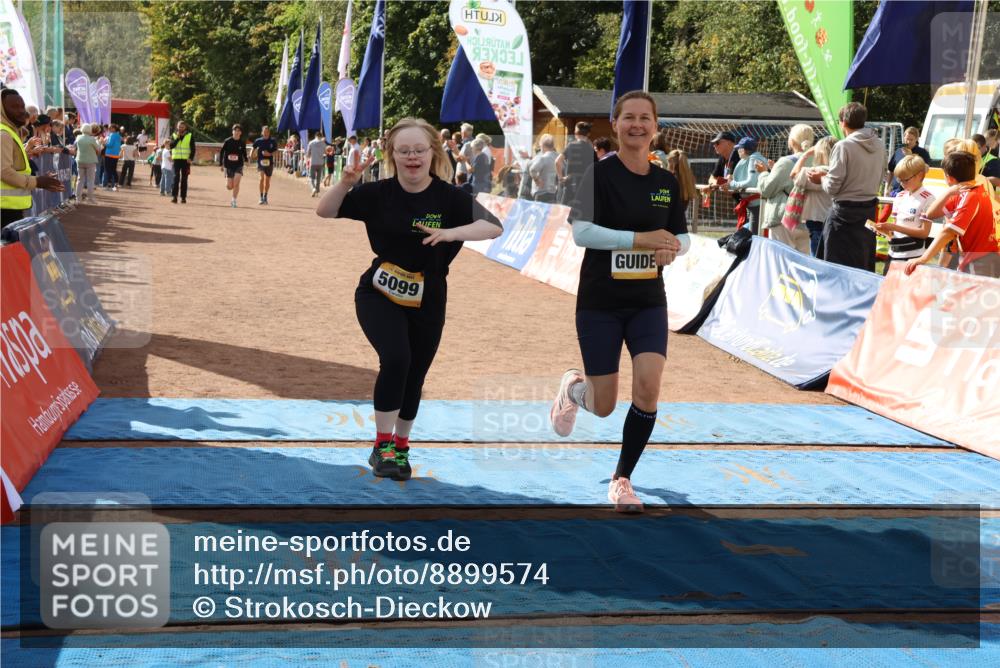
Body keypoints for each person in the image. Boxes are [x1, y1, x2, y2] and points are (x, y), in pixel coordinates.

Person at [315, 117, 502, 480]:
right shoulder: (377, 193)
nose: (412, 157)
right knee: (397, 358)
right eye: (404, 151)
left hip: (429, 296)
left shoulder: (450, 197)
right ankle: (382, 445)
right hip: (380, 292)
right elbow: (325, 210)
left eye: (419, 150)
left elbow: (494, 226)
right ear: (392, 155)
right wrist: (346, 183)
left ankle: (400, 448)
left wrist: (450, 232)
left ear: (433, 152)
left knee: (415, 374)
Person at [548, 91, 686, 514]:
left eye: (645, 118)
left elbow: (682, 238)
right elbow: (582, 233)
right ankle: (574, 388)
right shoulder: (597, 174)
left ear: (655, 127)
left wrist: (671, 249)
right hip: (600, 302)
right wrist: (640, 240)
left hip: (648, 301)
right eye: (629, 118)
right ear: (616, 123)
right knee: (604, 405)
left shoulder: (666, 182)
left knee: (648, 387)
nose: (637, 125)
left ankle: (622, 479)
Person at [808, 102, 886, 272]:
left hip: (843, 215)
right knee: (862, 266)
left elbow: (832, 187)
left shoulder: (843, 146)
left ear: (843, 122)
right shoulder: (880, 145)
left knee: (836, 269)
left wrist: (820, 178)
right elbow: (882, 176)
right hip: (868, 212)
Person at [906, 151, 999, 277]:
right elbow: (930, 214)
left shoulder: (970, 196)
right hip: (978, 256)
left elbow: (948, 232)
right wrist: (948, 192)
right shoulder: (964, 191)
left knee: (973, 296)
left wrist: (923, 258)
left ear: (949, 178)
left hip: (981, 259)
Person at [1, 87, 64, 227]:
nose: (21, 111)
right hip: (4, 210)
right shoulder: (3, 134)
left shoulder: (10, 132)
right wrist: (37, 181)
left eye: (22, 106)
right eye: (14, 107)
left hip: (10, 207)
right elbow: (4, 172)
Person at [756, 124, 815, 253]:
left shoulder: (785, 162)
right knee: (803, 265)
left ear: (792, 141)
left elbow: (766, 189)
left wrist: (763, 173)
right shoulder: (818, 161)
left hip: (785, 219)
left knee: (781, 262)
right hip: (809, 218)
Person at [873, 155, 935, 274]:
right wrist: (885, 231)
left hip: (913, 256)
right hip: (893, 253)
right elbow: (895, 229)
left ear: (920, 175)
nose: (902, 184)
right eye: (899, 180)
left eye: (905, 180)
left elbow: (924, 233)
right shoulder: (899, 196)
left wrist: (893, 227)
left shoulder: (928, 198)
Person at [792, 136, 836, 257]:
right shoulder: (838, 171)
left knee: (817, 259)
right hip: (833, 219)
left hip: (817, 220)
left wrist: (805, 155)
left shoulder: (816, 171)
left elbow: (794, 175)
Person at [728, 136, 767, 234]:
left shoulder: (753, 159)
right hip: (752, 204)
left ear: (743, 150)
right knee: (749, 234)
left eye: (739, 148)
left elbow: (751, 182)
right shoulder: (750, 159)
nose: (737, 151)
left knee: (754, 236)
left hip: (757, 204)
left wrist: (732, 184)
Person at [556, 121, 596, 205]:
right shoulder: (592, 150)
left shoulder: (571, 146)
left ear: (575, 133)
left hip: (570, 185)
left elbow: (557, 161)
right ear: (588, 134)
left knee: (565, 214)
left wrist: (560, 179)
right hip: (586, 189)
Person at [887, 126, 931, 195]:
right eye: (907, 139)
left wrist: (910, 156)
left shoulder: (923, 152)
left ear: (916, 139)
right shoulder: (899, 151)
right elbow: (891, 171)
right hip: (895, 190)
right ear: (904, 138)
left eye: (911, 140)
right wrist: (887, 187)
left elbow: (926, 169)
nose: (908, 142)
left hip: (911, 191)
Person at [220, 124, 248, 207]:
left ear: (241, 133)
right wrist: (221, 164)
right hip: (228, 165)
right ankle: (227, 179)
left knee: (236, 183)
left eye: (238, 131)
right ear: (232, 132)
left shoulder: (242, 142)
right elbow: (222, 152)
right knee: (229, 186)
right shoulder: (227, 141)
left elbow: (244, 152)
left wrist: (246, 160)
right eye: (235, 130)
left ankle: (234, 200)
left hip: (238, 165)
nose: (237, 132)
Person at [250, 125, 278, 205]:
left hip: (269, 163)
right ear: (262, 133)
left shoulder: (273, 141)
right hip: (260, 162)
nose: (266, 133)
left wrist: (269, 154)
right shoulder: (258, 141)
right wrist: (251, 155)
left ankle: (265, 196)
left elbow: (276, 151)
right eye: (264, 132)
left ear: (269, 133)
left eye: (267, 132)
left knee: (267, 180)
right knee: (261, 178)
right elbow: (253, 147)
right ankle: (261, 197)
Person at [73, 123, 101, 203]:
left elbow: (74, 146)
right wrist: (98, 142)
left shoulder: (78, 137)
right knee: (90, 180)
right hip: (90, 161)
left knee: (80, 180)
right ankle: (90, 198)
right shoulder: (92, 139)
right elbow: (98, 149)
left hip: (80, 160)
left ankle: (78, 198)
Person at [169, 120, 195, 203]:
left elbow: (193, 148)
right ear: (177, 127)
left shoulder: (190, 135)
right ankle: (174, 197)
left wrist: (190, 158)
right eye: (179, 126)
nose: (180, 128)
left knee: (184, 179)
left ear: (185, 127)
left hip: (186, 161)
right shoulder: (173, 135)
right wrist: (177, 138)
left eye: (182, 127)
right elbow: (171, 146)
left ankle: (183, 197)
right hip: (176, 160)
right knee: (175, 178)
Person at [529, 133, 559, 202]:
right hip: (553, 193)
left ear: (542, 145)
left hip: (541, 192)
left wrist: (537, 180)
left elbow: (532, 169)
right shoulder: (558, 157)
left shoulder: (543, 158)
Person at [102, 123, 123, 190]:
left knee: (108, 170)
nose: (109, 129)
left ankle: (109, 184)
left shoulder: (112, 135)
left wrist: (103, 143)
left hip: (109, 154)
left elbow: (110, 145)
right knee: (113, 170)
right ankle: (116, 183)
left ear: (114, 128)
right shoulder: (118, 136)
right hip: (115, 155)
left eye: (110, 128)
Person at [307, 131, 328, 196]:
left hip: (313, 162)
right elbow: (326, 152)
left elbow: (308, 153)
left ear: (315, 136)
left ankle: (313, 189)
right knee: (318, 178)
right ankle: (317, 191)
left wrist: (308, 157)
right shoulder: (323, 144)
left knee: (311, 177)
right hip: (320, 162)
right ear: (321, 136)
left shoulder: (311, 143)